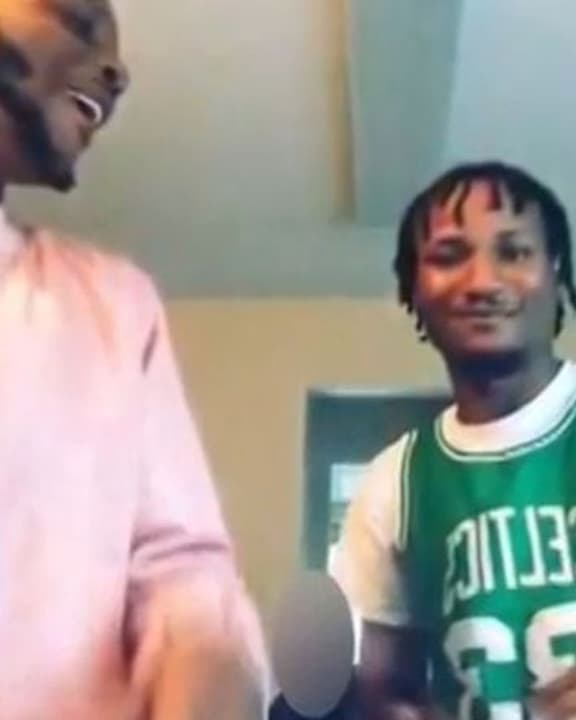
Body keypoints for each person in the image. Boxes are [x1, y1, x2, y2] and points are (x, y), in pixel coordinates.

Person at [0, 1, 267, 717]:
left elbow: (183, 576)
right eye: (78, 16)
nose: (117, 73)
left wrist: (206, 668)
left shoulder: (114, 307)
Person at [334, 161, 576, 720]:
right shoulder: (393, 482)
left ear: (556, 274)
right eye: (449, 257)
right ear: (413, 289)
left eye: (514, 252)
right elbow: (382, 688)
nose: (482, 282)